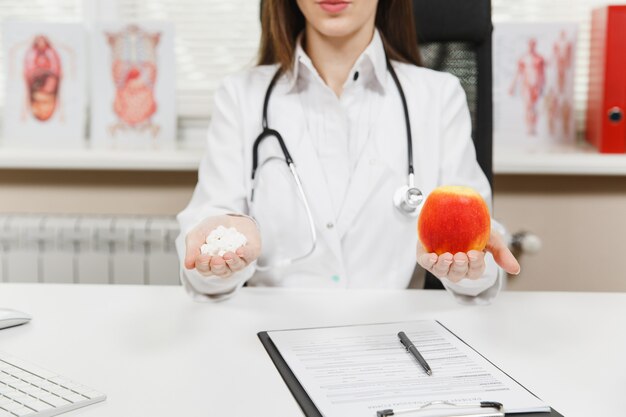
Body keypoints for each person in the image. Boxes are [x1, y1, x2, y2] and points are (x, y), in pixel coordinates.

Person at [176, 0, 520, 303]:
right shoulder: (240, 96)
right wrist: (217, 253)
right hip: (272, 335)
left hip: (389, 343)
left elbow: (480, 265)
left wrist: (472, 265)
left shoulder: (438, 97)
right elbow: (202, 269)